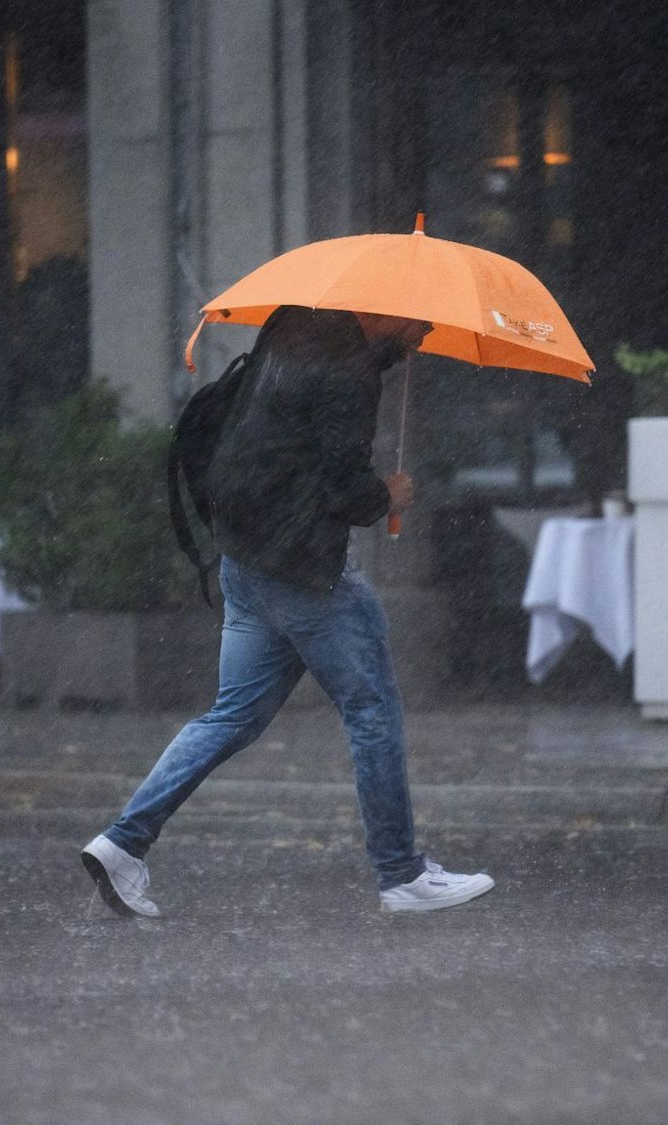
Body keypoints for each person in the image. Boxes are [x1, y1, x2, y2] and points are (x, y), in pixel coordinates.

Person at [80, 305, 496, 917]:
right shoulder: (351, 370)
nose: (425, 338)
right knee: (371, 709)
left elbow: (274, 446)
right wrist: (389, 493)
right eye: (421, 325)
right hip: (305, 573)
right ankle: (402, 874)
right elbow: (343, 489)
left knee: (231, 717)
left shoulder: (290, 328)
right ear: (389, 314)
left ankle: (122, 843)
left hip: (245, 561)